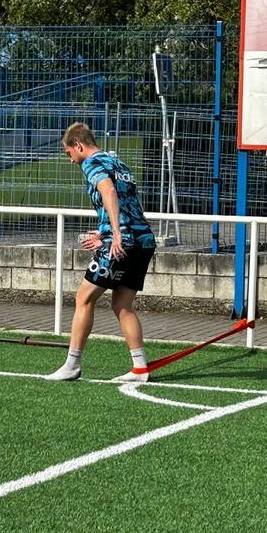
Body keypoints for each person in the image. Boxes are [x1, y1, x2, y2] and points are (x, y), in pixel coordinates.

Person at [47, 122, 157, 383]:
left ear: (78, 145)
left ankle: (72, 364)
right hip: (144, 240)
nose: (71, 160)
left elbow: (108, 190)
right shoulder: (118, 162)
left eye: (69, 153)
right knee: (122, 304)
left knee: (84, 298)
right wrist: (104, 233)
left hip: (123, 242)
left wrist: (116, 235)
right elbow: (128, 202)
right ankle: (140, 368)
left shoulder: (92, 164)